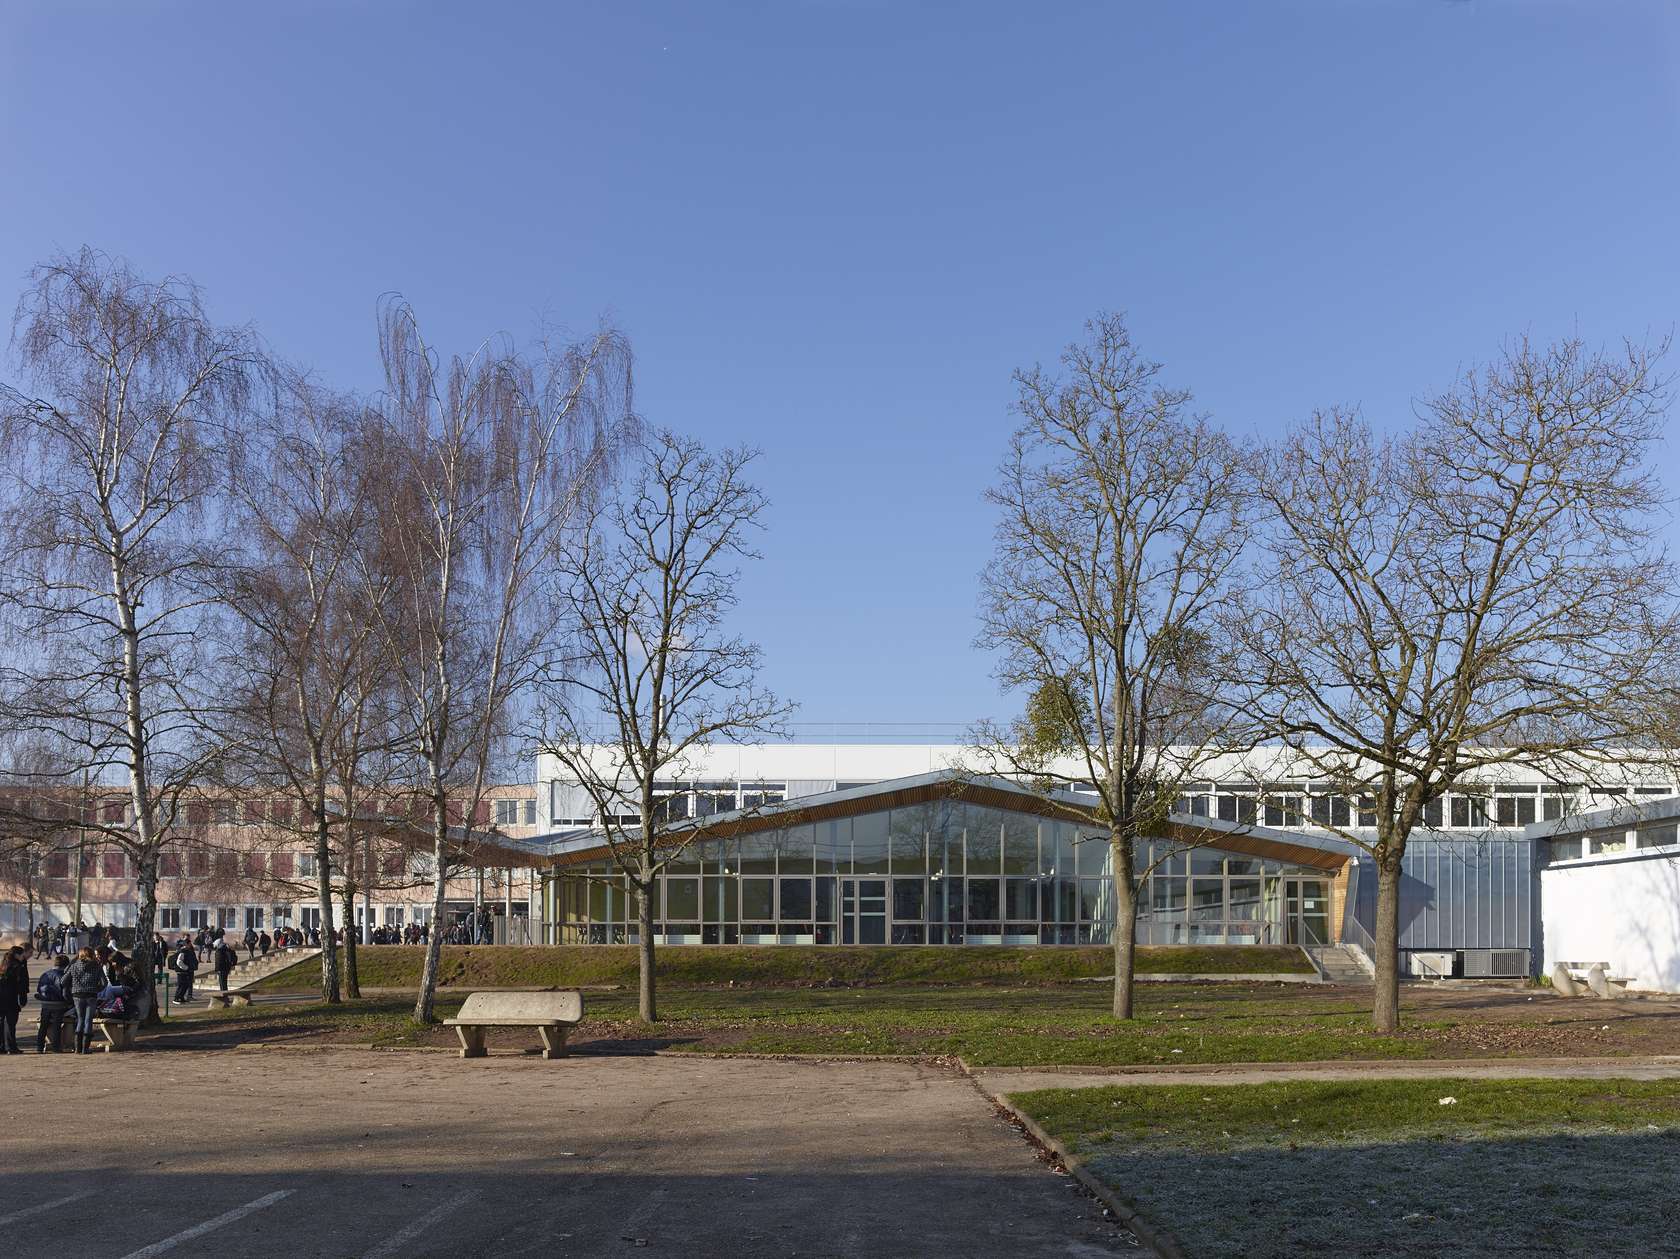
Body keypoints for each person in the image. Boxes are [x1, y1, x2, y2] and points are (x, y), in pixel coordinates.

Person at [64, 946, 105, 1055]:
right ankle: (85, 1048)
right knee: (88, 1020)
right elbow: (104, 983)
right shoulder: (97, 966)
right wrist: (97, 989)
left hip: (77, 995)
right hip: (91, 995)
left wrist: (72, 986)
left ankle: (77, 1048)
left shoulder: (73, 966)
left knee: (80, 1019)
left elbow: (63, 981)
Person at [34, 953, 70, 1053]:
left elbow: (39, 989)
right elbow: (65, 993)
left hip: (45, 1004)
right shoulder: (63, 976)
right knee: (56, 1026)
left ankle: (39, 1047)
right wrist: (69, 1002)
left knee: (43, 1026)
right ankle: (56, 1047)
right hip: (58, 1004)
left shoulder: (45, 974)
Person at [0, 945, 29, 1054]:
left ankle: (2, 1046)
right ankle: (11, 1047)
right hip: (11, 998)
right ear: (17, 955)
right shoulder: (18, 966)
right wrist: (22, 999)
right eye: (22, 955)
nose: (23, 957)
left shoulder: (3, 964)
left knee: (2, 1022)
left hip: (2, 997)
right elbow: (21, 985)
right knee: (10, 1023)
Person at [171, 935, 198, 1002]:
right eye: (189, 943)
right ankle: (177, 998)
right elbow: (179, 962)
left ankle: (182, 997)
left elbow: (192, 958)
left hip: (188, 970)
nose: (190, 945)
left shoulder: (188, 950)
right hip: (182, 971)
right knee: (181, 985)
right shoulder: (183, 951)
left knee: (186, 985)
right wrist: (186, 968)